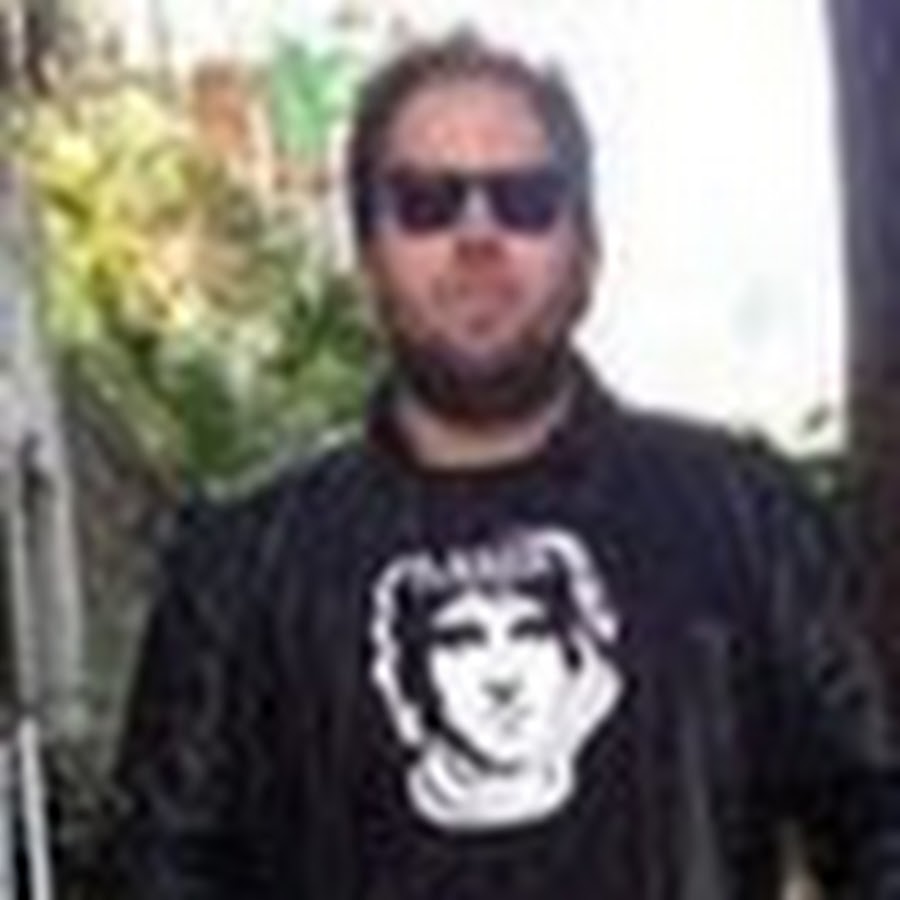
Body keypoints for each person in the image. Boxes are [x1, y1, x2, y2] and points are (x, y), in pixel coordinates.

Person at [112, 30, 900, 900]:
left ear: (588, 251)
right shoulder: (240, 570)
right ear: (367, 255)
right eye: (426, 201)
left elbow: (880, 816)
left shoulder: (744, 519)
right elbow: (157, 872)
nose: (478, 233)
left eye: (526, 199)